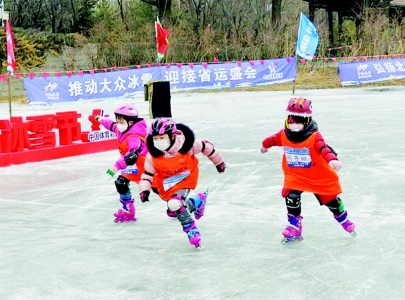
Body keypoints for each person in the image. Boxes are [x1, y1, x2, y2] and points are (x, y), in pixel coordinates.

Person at [260, 97, 356, 244]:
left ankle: (342, 217)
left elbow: (324, 148)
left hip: (318, 175)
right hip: (295, 175)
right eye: (292, 121)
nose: (294, 126)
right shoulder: (283, 134)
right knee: (291, 196)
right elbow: (272, 139)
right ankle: (294, 226)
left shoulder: (314, 136)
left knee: (332, 202)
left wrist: (332, 159)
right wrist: (265, 145)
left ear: (307, 121)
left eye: (299, 122)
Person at [138, 118, 226, 248]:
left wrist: (219, 162)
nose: (158, 141)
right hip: (167, 183)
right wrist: (144, 190)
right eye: (155, 138)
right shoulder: (152, 157)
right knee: (173, 211)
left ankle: (192, 230)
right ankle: (198, 200)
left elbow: (206, 146)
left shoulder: (186, 145)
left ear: (172, 136)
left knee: (175, 203)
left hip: (186, 177)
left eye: (162, 137)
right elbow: (147, 175)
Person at [94, 104, 148, 223]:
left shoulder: (135, 137)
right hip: (133, 167)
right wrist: (100, 119)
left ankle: (187, 203)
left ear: (130, 122)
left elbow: (131, 156)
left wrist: (116, 166)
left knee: (159, 190)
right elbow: (111, 125)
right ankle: (128, 210)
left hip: (145, 167)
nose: (118, 123)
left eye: (121, 120)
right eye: (117, 119)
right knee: (121, 182)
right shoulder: (122, 129)